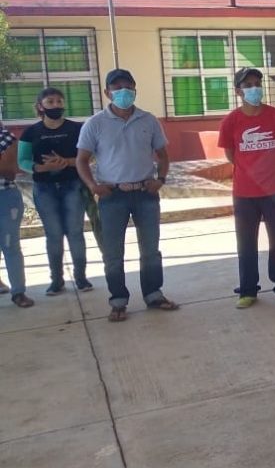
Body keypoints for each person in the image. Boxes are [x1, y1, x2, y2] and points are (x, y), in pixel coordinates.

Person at [76, 69, 178, 322]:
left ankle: (153, 294)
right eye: (117, 87)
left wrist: (161, 179)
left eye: (128, 87)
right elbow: (82, 159)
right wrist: (93, 186)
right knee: (113, 253)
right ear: (107, 92)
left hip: (145, 193)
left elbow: (163, 155)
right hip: (112, 195)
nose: (123, 92)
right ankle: (118, 300)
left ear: (135, 89)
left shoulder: (148, 120)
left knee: (150, 250)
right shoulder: (95, 123)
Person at [218, 68, 275, 309]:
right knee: (246, 243)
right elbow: (231, 155)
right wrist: (252, 170)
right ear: (238, 91)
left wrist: (270, 167)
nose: (254, 88)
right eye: (248, 85)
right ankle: (248, 290)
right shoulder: (231, 121)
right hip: (244, 194)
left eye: (257, 83)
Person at [18, 87, 92, 295]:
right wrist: (41, 168)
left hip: (73, 185)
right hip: (44, 188)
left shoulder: (77, 129)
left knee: (75, 232)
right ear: (40, 106)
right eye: (50, 102)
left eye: (59, 101)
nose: (56, 105)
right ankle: (57, 281)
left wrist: (67, 162)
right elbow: (22, 160)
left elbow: (90, 157)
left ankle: (81, 278)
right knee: (54, 235)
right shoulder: (31, 132)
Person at [0, 120, 32, 308]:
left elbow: (9, 171)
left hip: (5, 198)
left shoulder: (6, 137)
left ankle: (18, 292)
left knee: (10, 245)